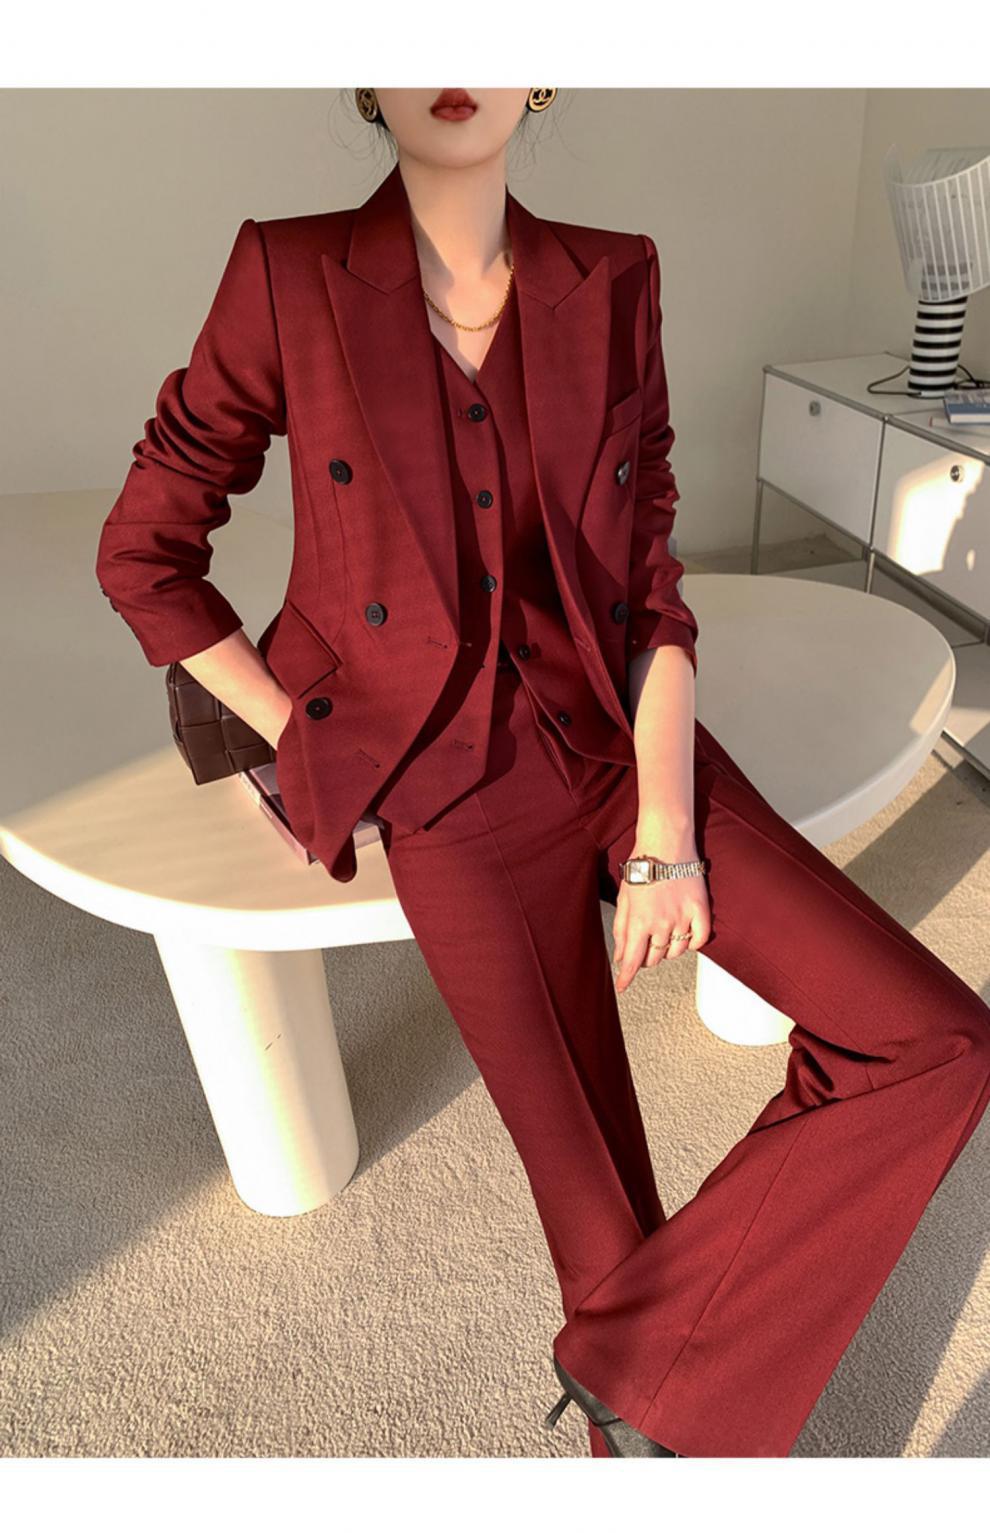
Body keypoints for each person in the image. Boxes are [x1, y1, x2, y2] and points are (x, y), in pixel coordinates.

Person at [95, 88, 990, 1459]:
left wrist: (666, 834)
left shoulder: (611, 276)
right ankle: (643, 1418)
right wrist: (303, 732)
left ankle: (632, 1371)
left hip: (617, 739)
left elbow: (649, 585)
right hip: (444, 797)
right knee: (602, 1227)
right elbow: (145, 550)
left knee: (934, 1040)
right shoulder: (289, 270)